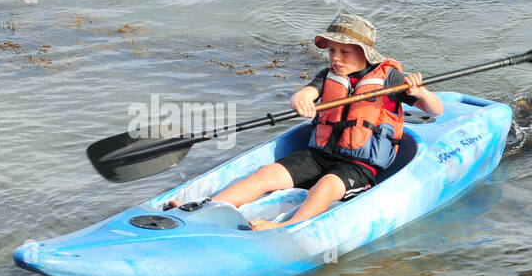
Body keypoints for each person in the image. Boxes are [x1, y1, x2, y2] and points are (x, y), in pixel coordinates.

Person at [168, 13, 443, 229]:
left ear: (364, 53)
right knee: (266, 175)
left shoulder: (390, 80)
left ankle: (289, 226)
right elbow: (306, 93)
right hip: (318, 156)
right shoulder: (328, 75)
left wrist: (420, 91)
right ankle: (204, 209)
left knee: (324, 188)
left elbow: (436, 109)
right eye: (331, 51)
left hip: (358, 167)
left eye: (343, 52)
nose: (335, 58)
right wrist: (300, 99)